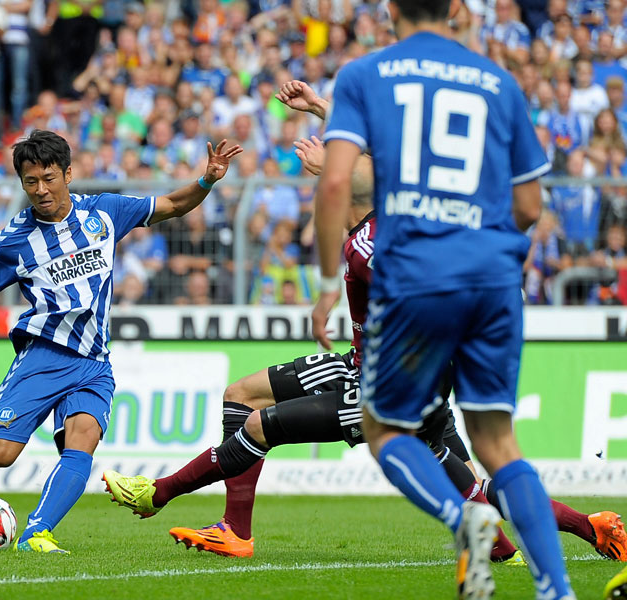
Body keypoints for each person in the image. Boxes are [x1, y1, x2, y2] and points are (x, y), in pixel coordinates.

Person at [102, 80, 627, 568]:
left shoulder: (374, 248)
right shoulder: (380, 214)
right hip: (367, 368)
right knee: (244, 395)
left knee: (265, 428)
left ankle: (161, 492)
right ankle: (235, 528)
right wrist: (318, 107)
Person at [0, 129, 242, 554]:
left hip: (94, 362)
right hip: (44, 356)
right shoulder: (14, 240)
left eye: (49, 178)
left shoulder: (105, 212)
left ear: (68, 173)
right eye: (31, 182)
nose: (41, 190)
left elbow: (175, 205)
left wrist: (207, 180)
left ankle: (36, 534)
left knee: (81, 441)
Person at [316, 0, 575, 598]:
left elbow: (334, 183)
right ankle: (556, 590)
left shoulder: (364, 74)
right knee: (497, 441)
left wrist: (329, 283)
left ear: (389, 8)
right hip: (493, 281)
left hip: (417, 276)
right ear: (456, 8)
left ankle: (465, 517)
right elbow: (531, 208)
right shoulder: (499, 81)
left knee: (384, 428)